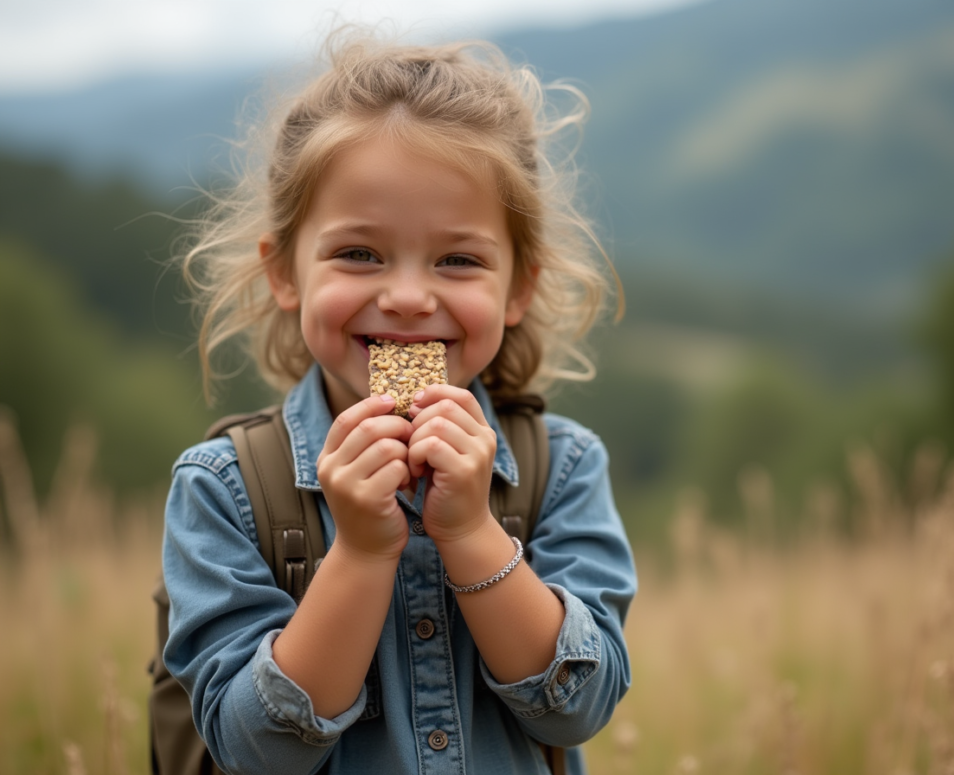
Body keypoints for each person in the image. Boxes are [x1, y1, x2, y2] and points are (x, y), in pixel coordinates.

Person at [162, 26, 636, 775]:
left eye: (457, 259)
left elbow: (580, 702)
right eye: (359, 253)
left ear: (519, 288)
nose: (410, 298)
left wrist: (474, 532)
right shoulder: (223, 490)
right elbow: (255, 747)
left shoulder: (565, 467)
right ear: (285, 272)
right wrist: (360, 551)